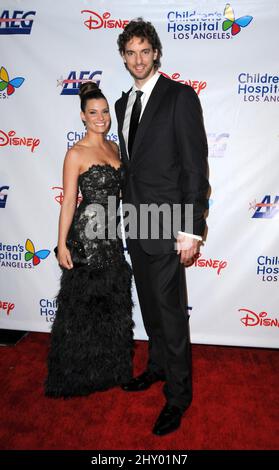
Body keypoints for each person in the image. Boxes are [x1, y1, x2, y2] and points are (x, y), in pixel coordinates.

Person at [115, 19, 209, 435]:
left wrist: (192, 230)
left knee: (171, 314)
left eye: (144, 51)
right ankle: (155, 367)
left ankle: (178, 396)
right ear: (124, 57)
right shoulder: (123, 104)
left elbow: (194, 167)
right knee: (150, 307)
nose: (138, 59)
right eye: (130, 52)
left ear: (156, 53)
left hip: (170, 224)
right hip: (136, 221)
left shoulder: (179, 97)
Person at [45, 82, 134, 398]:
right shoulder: (76, 153)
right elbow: (69, 200)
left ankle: (111, 370)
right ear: (83, 116)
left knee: (112, 307)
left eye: (105, 112)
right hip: (86, 237)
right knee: (82, 310)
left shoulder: (114, 148)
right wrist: (62, 244)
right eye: (93, 113)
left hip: (111, 237)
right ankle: (75, 376)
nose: (101, 118)